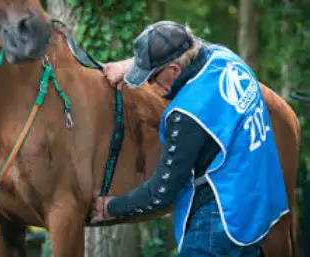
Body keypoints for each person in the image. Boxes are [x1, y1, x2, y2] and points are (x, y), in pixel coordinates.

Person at [90, 20, 289, 256]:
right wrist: (132, 65)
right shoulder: (225, 59)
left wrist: (112, 206)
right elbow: (200, 45)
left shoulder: (187, 113)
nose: (149, 84)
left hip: (221, 221)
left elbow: (161, 193)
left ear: (173, 70)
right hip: (256, 204)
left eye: (152, 77)